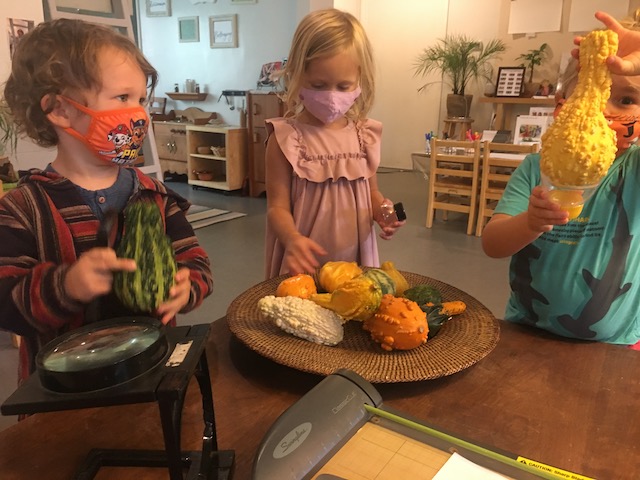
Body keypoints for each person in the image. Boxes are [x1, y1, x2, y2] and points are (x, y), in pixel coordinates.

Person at [0, 18, 213, 384]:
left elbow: (195, 260)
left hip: (149, 370)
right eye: (122, 98)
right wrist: (66, 285)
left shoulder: (155, 195)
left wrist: (187, 286)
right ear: (60, 109)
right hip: (65, 390)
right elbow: (5, 303)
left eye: (141, 99)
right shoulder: (22, 209)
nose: (140, 113)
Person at [481, 11, 640, 347]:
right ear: (562, 103)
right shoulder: (534, 168)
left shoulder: (635, 168)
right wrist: (530, 223)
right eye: (588, 95)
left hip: (613, 346)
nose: (603, 111)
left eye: (626, 101)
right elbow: (492, 244)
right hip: (526, 330)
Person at [263, 9, 405, 278]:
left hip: (354, 261)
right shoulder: (285, 139)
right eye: (318, 85)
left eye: (343, 86)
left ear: (360, 79)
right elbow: (276, 208)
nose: (331, 97)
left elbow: (372, 193)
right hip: (304, 262)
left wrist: (386, 213)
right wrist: (292, 238)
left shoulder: (364, 136)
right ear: (296, 74)